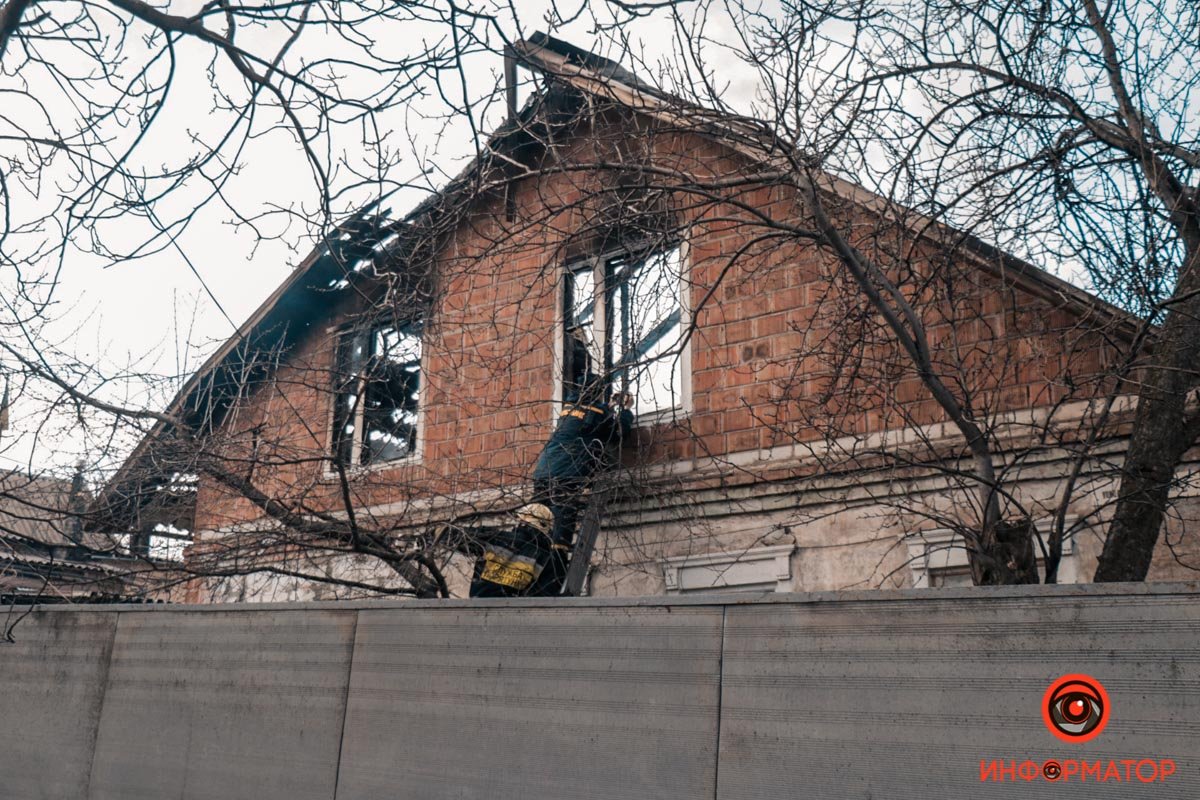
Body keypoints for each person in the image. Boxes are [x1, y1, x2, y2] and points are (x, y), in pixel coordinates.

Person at [529, 381, 634, 595]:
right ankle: (551, 587)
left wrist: (609, 407)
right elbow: (618, 432)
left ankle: (530, 580)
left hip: (543, 474)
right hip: (565, 477)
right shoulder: (596, 413)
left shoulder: (569, 409)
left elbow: (586, 425)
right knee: (560, 534)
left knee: (536, 530)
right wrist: (625, 411)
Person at [465, 503, 557, 598]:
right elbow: (545, 596)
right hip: (516, 610)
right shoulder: (546, 558)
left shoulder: (495, 538)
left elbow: (458, 537)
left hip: (478, 607)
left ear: (521, 520)